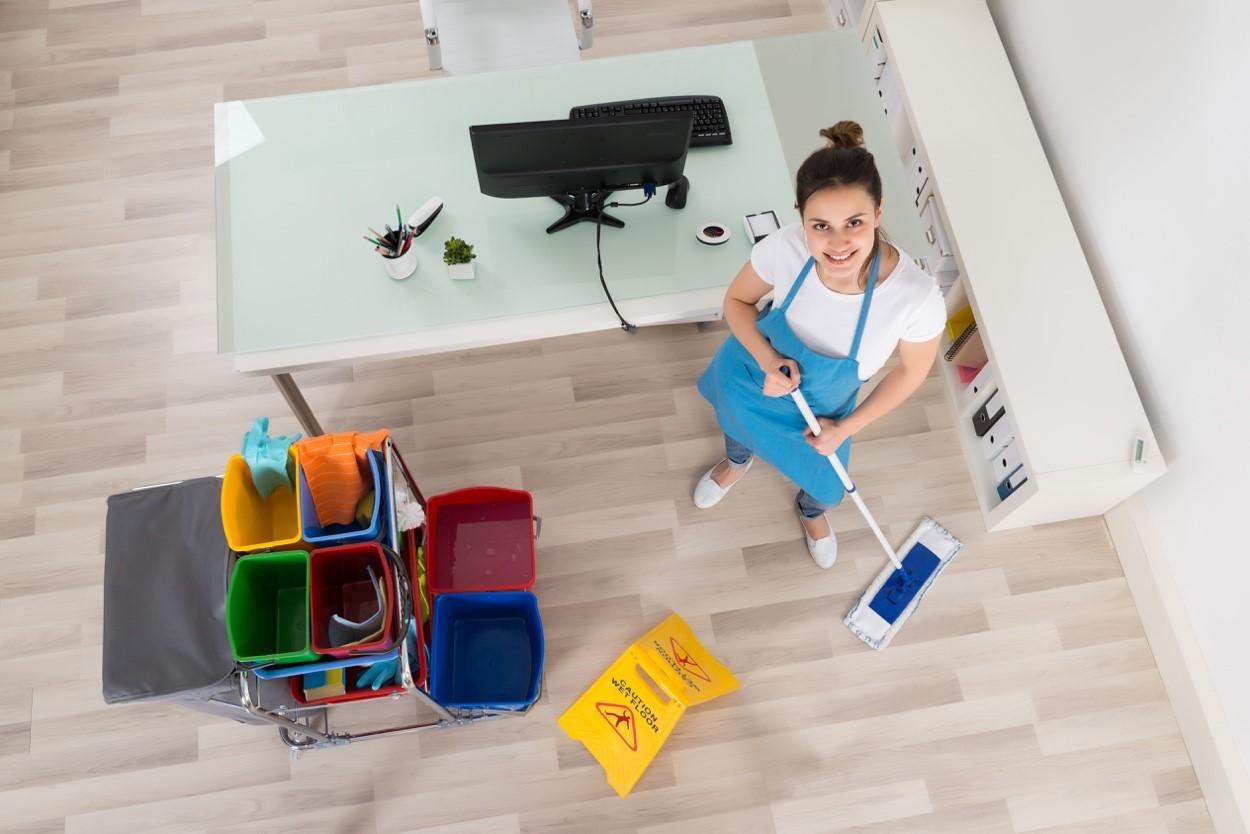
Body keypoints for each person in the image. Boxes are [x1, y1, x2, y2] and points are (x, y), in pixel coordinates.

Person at [693, 120, 946, 569]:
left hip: (825, 418)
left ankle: (810, 511)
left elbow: (911, 372)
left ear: (879, 212)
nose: (838, 243)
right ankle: (736, 463)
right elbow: (735, 301)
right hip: (754, 376)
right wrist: (769, 360)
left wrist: (844, 430)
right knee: (735, 422)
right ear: (801, 217)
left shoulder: (915, 296)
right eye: (820, 225)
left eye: (855, 222)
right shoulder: (786, 248)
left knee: (828, 486)